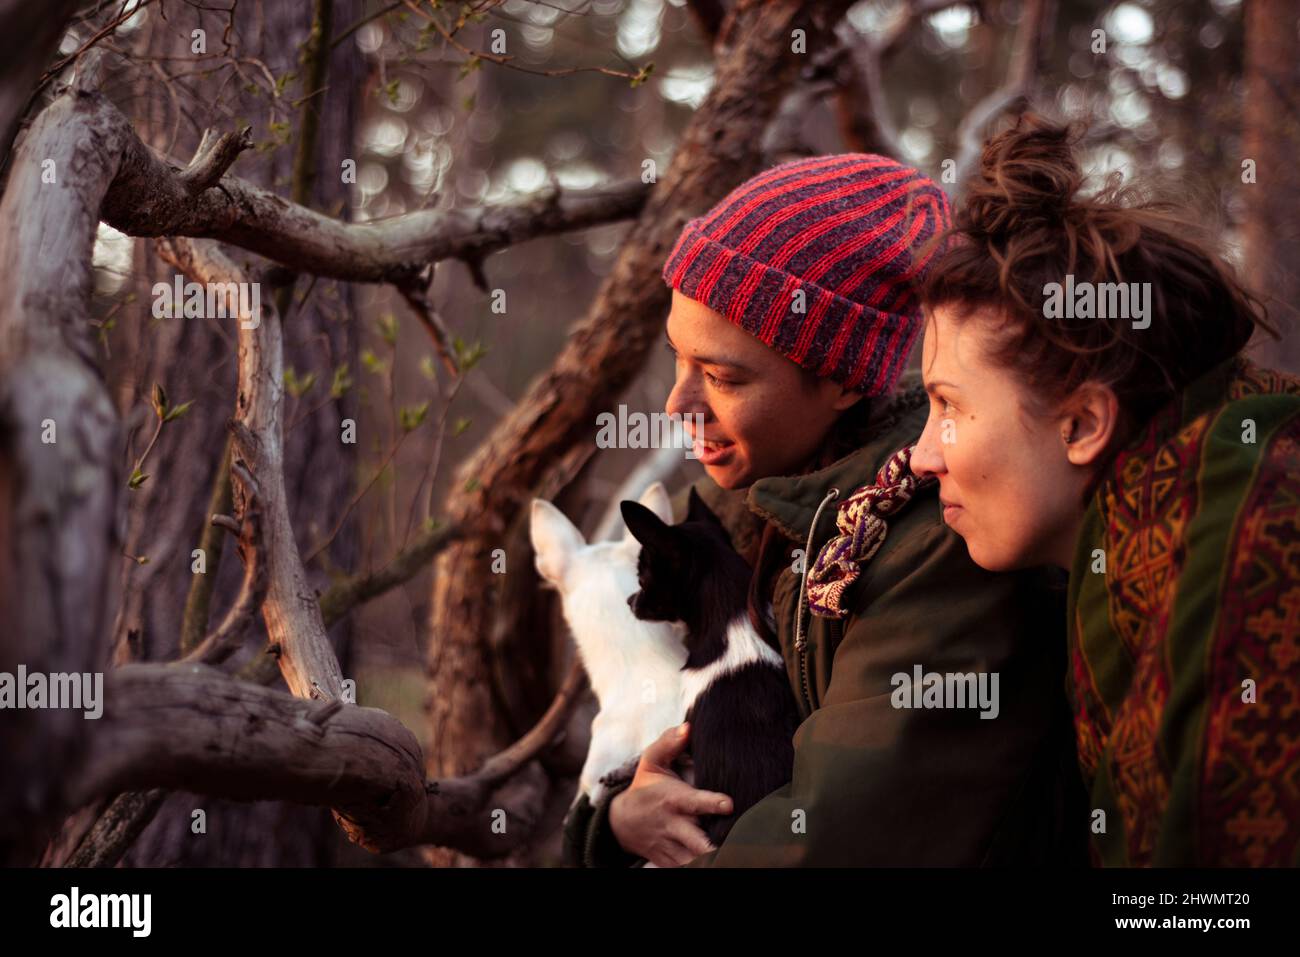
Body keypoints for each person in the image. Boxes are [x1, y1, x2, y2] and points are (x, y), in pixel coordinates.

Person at [561, 153, 1086, 867]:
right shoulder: (749, 512)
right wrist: (619, 819)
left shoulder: (943, 545)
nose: (676, 405)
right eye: (678, 360)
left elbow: (830, 840)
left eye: (720, 375)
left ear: (843, 377)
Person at [909, 113, 1300, 866]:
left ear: (1084, 422)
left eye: (950, 406)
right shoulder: (1136, 550)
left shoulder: (1252, 541)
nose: (923, 456)